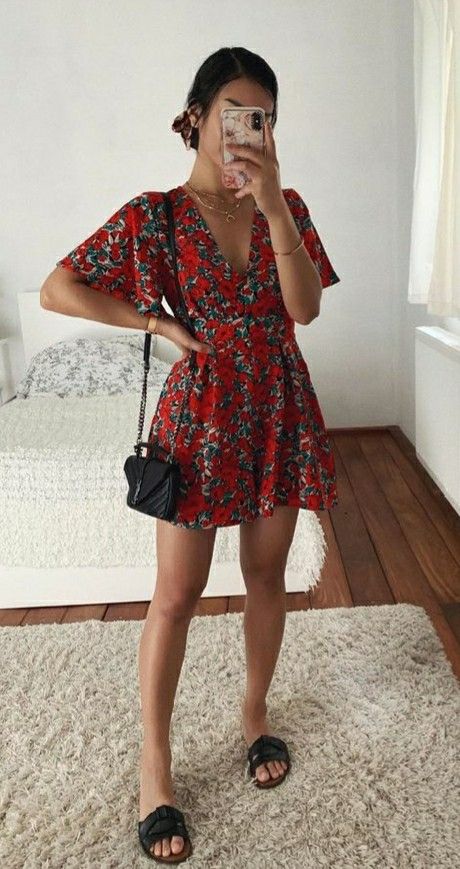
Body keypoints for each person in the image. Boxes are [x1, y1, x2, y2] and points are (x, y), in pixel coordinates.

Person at [41, 45, 341, 865]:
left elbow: (305, 310)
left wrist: (274, 207)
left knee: (268, 576)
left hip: (276, 405)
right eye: (235, 112)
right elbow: (59, 287)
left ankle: (254, 715)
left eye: (262, 117)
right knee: (175, 595)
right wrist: (155, 323)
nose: (248, 128)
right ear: (199, 115)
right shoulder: (159, 216)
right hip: (201, 413)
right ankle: (156, 763)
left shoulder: (289, 206)